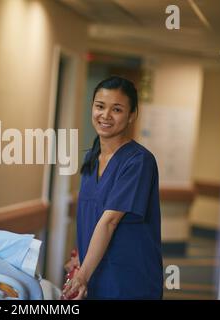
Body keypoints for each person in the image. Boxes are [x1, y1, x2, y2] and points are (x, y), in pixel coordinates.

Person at [62, 76, 163, 300]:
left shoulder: (138, 161)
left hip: (129, 278)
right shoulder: (91, 158)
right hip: (95, 272)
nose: (105, 115)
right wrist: (81, 255)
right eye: (100, 106)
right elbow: (91, 216)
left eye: (116, 109)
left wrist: (82, 276)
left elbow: (110, 221)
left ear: (132, 115)